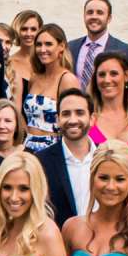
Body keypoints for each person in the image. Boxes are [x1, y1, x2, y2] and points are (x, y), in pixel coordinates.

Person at [34, 86, 100, 227]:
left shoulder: (107, 156)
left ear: (92, 118)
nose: (72, 120)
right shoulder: (41, 161)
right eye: (66, 114)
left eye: (80, 113)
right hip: (60, 244)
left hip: (104, 244)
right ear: (58, 120)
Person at [14, 24, 78, 154]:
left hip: (53, 149)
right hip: (28, 146)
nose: (42, 49)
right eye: (38, 44)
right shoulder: (34, 78)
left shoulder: (67, 79)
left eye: (48, 44)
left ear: (61, 46)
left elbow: (74, 120)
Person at [84, 49, 128, 146]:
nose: (107, 80)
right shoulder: (86, 117)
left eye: (114, 73)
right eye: (101, 75)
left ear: (126, 75)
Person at [70, 0, 118, 85]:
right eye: (90, 12)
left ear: (109, 18)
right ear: (84, 16)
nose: (94, 16)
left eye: (100, 13)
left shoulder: (126, 51)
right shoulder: (70, 47)